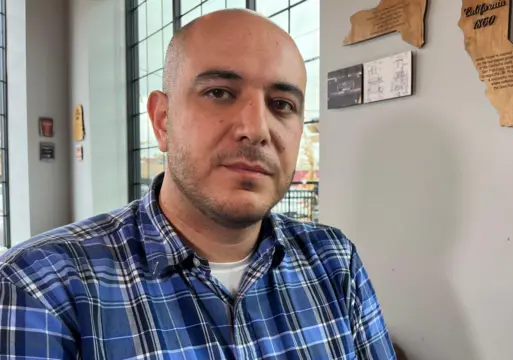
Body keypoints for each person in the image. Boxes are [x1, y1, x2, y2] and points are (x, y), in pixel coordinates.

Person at [0, 9, 395, 359]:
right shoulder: (40, 287)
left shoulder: (335, 261)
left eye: (281, 104)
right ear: (162, 119)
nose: (257, 130)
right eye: (219, 93)